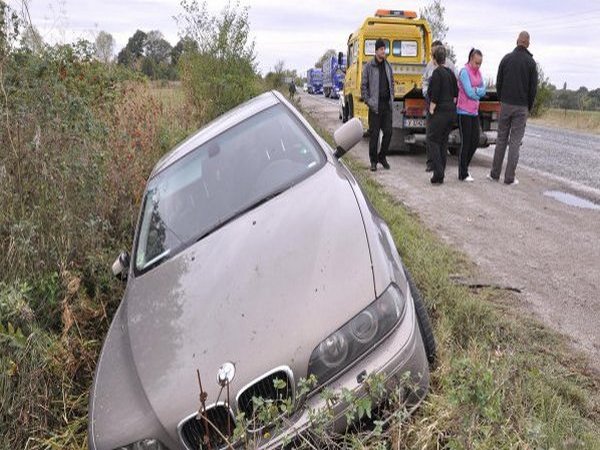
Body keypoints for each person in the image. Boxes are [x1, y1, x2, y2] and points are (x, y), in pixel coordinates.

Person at [489, 31, 538, 185]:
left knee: (501, 139)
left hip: (506, 104)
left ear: (517, 41)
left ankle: (494, 174)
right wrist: (528, 107)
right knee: (515, 141)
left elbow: (499, 82)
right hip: (521, 107)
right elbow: (533, 89)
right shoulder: (531, 63)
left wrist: (501, 99)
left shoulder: (506, 59)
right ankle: (509, 178)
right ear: (528, 43)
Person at [423, 40, 457, 172]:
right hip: (448, 110)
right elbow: (455, 92)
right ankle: (436, 165)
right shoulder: (444, 70)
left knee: (433, 140)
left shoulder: (439, 71)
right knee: (442, 141)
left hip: (438, 110)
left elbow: (435, 93)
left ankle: (438, 170)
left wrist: (432, 108)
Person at [361, 38, 394, 171]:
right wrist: (368, 101)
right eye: (381, 49)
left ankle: (382, 156)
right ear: (376, 51)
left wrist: (392, 97)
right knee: (374, 135)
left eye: (384, 49)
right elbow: (363, 86)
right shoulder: (369, 66)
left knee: (389, 132)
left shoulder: (388, 65)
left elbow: (391, 82)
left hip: (386, 105)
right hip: (375, 107)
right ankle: (373, 161)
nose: (383, 51)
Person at [456, 48, 486, 181]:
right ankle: (463, 173)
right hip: (463, 111)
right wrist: (476, 92)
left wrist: (477, 91)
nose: (478, 66)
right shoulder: (464, 72)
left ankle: (465, 167)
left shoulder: (478, 73)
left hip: (474, 112)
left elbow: (483, 90)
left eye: (480, 63)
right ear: (470, 60)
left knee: (475, 141)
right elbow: (469, 92)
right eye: (476, 63)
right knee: (466, 142)